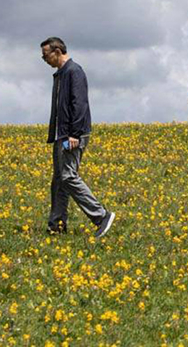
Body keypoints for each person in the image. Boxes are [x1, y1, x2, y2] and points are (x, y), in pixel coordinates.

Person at [41, 37, 115, 237]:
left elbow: (80, 104)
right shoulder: (61, 74)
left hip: (73, 134)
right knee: (59, 181)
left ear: (57, 51)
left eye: (45, 55)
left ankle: (101, 216)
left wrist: (74, 133)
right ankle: (56, 225)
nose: (44, 59)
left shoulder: (74, 71)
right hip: (62, 134)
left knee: (68, 176)